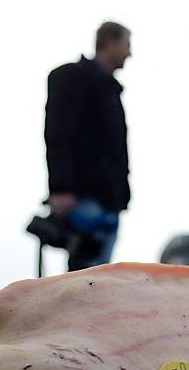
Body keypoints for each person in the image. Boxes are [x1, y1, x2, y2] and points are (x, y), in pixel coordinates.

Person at [44, 21, 132, 271]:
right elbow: (59, 132)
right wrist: (61, 188)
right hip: (85, 197)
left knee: (97, 280)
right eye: (127, 44)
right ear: (110, 41)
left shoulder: (110, 90)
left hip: (109, 200)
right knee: (86, 282)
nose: (130, 53)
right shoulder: (74, 78)